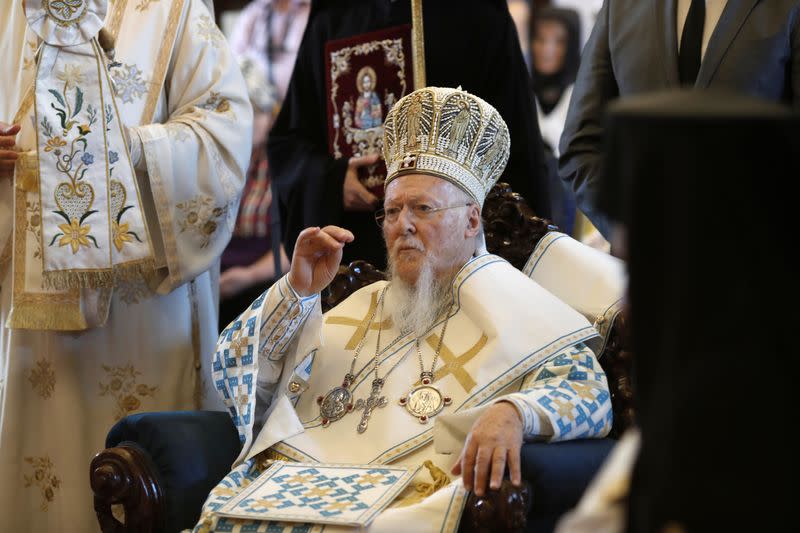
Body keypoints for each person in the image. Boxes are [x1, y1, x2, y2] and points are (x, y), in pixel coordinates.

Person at [194, 87, 611, 533]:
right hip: (300, 486)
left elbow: (591, 395)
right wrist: (296, 293)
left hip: (410, 497)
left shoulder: (521, 307)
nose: (402, 225)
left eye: (422, 208)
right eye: (391, 211)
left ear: (472, 220)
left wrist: (513, 412)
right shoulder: (356, 304)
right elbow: (244, 383)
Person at [0, 0, 251, 529]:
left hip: (140, 311)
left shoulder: (170, 8)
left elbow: (224, 136)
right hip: (30, 311)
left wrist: (125, 150)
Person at [268, 0, 552, 270]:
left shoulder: (476, 13)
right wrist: (332, 181)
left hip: (453, 254)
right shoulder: (337, 15)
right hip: (356, 252)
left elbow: (513, 145)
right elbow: (290, 144)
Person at [559, 0, 800, 240]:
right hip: (639, 262)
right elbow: (581, 142)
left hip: (755, 258)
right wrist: (626, 226)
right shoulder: (621, 5)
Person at [530, 6, 582, 235]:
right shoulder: (522, 87)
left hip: (566, 197)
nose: (547, 49)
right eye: (540, 39)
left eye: (558, 42)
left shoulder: (582, 92)